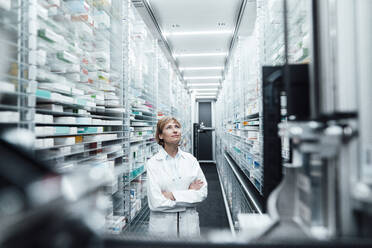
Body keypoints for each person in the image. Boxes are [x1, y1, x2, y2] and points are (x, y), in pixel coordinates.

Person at [146, 117, 208, 237]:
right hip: (163, 228)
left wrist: (173, 195)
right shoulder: (153, 163)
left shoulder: (191, 160)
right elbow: (156, 202)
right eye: (169, 127)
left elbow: (202, 193)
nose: (175, 131)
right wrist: (189, 193)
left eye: (177, 127)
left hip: (189, 226)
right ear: (160, 136)